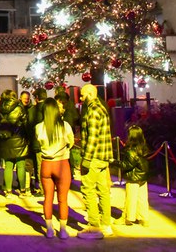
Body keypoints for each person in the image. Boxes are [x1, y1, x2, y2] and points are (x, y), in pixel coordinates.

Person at [77, 83, 114, 240]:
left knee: (88, 190)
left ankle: (94, 227)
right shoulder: (102, 108)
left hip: (93, 158)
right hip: (103, 156)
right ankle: (106, 223)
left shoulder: (92, 111)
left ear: (90, 94)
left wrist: (86, 158)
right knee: (103, 190)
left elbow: (92, 137)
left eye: (83, 95)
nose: (81, 98)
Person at [36, 98, 75, 239]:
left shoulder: (39, 127)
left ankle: (49, 230)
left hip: (46, 164)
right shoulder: (65, 126)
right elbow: (71, 141)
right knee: (63, 199)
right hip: (62, 164)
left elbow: (39, 141)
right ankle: (63, 230)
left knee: (47, 198)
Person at [0, 90, 29, 198]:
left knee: (8, 166)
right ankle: (22, 190)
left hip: (5, 141)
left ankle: (8, 190)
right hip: (19, 139)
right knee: (21, 165)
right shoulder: (20, 108)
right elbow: (26, 124)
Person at [120, 125, 150, 227]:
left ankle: (129, 218)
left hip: (133, 177)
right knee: (142, 199)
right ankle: (144, 218)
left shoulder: (130, 151)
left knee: (131, 198)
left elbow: (126, 165)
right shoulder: (143, 148)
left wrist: (114, 162)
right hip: (143, 177)